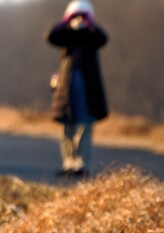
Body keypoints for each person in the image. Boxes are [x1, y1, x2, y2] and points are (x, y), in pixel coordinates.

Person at [47, 0, 108, 177]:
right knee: (66, 129)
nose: (79, 20)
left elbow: (103, 38)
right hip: (66, 91)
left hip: (87, 92)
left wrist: (89, 24)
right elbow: (51, 36)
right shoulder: (66, 36)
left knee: (84, 127)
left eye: (83, 17)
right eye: (76, 16)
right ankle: (69, 164)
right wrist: (67, 22)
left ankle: (82, 165)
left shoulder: (91, 36)